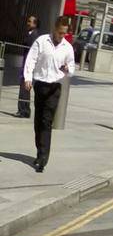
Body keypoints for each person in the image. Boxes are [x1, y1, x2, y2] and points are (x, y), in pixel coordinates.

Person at [23, 15, 75, 172]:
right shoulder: (42, 41)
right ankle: (39, 152)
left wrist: (68, 69)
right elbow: (31, 59)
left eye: (64, 33)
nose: (61, 36)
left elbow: (72, 67)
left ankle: (43, 159)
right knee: (38, 121)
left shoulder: (67, 47)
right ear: (55, 29)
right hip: (40, 85)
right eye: (60, 32)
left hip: (54, 88)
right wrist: (28, 78)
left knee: (47, 122)